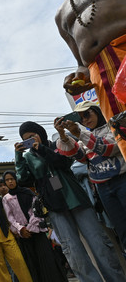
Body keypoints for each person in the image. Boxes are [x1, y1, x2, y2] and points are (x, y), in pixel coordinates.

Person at [24, 0, 126, 159]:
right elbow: (82, 63)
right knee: (124, 134)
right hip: (102, 79)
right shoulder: (61, 14)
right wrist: (78, 78)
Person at [15, 121, 125, 282]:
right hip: (55, 207)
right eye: (26, 139)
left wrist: (43, 149)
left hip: (76, 198)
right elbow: (23, 179)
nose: (31, 140)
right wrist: (18, 156)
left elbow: (64, 162)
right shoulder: (28, 157)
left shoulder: (58, 144)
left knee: (100, 244)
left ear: (40, 133)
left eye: (33, 136)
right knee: (73, 251)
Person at [54, 101, 126, 251]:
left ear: (97, 112)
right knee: (122, 230)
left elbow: (108, 148)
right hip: (103, 188)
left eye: (87, 114)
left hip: (122, 180)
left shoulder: (113, 126)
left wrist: (79, 133)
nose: (85, 120)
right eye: (80, 118)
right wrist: (63, 134)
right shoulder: (85, 137)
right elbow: (77, 155)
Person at [2, 170, 67, 282]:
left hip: (37, 231)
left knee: (47, 261)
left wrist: (30, 227)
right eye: (7, 180)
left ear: (16, 179)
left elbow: (36, 210)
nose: (10, 182)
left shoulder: (27, 192)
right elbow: (10, 218)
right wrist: (21, 229)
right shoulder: (6, 198)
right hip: (23, 236)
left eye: (12, 179)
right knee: (32, 264)